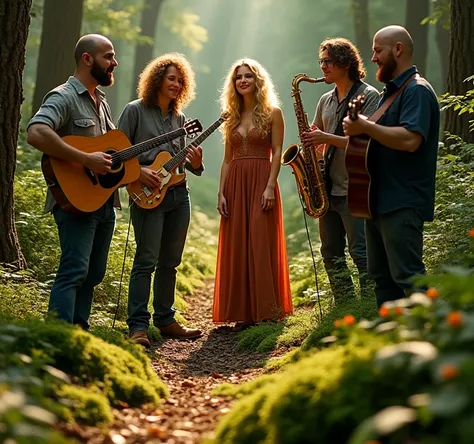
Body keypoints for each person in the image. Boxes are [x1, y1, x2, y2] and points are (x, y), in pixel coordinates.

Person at [343, 25, 440, 307]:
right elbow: (375, 139)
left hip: (402, 201)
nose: (372, 58)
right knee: (383, 281)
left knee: (409, 278)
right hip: (378, 202)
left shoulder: (417, 91)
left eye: (377, 50)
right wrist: (360, 128)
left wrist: (365, 127)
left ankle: (435, 342)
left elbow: (410, 139)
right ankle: (395, 346)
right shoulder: (390, 93)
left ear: (398, 49)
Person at [27, 34, 119, 329]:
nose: (113, 63)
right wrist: (85, 159)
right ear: (87, 59)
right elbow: (37, 132)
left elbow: (113, 151)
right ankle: (59, 335)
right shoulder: (63, 96)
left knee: (94, 274)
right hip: (74, 202)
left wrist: (140, 172)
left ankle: (79, 332)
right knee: (74, 270)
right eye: (108, 56)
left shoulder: (100, 102)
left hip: (103, 201)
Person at [118, 53, 203, 347]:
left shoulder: (180, 118)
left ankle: (166, 320)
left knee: (171, 262)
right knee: (146, 261)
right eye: (171, 78)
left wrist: (196, 163)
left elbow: (177, 164)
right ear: (157, 79)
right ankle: (137, 326)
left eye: (181, 80)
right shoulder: (134, 112)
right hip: (146, 196)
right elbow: (116, 156)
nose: (177, 84)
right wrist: (139, 172)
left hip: (179, 196)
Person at [213, 58, 293, 330]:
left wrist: (270, 186)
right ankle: (244, 313)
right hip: (235, 184)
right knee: (238, 243)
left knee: (260, 241)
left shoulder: (273, 112)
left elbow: (278, 152)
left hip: (261, 181)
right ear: (233, 84)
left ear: (257, 81)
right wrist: (221, 193)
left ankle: (267, 311)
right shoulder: (230, 117)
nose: (243, 80)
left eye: (248, 76)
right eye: (238, 77)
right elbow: (227, 159)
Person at [301, 38, 380, 302]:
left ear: (345, 63)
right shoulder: (325, 99)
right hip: (327, 187)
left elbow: (368, 143)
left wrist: (326, 139)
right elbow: (317, 138)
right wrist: (308, 155)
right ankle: (344, 305)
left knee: (360, 252)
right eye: (321, 61)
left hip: (354, 186)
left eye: (327, 61)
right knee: (330, 252)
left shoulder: (368, 96)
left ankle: (369, 306)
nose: (322, 66)